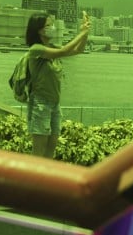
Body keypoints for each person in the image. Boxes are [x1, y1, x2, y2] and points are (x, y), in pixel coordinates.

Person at [24, 11, 90, 158]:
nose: (52, 28)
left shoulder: (52, 48)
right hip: (40, 104)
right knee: (39, 151)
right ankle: (33, 180)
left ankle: (44, 178)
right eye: (48, 25)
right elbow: (64, 50)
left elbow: (79, 50)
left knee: (50, 149)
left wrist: (85, 34)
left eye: (52, 25)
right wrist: (81, 33)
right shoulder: (36, 49)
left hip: (54, 104)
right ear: (38, 29)